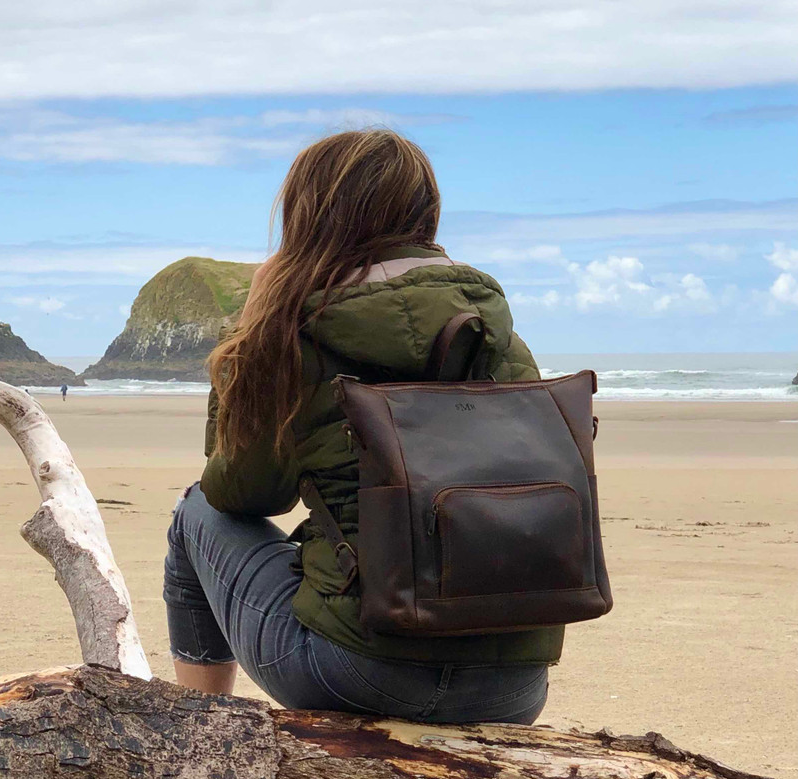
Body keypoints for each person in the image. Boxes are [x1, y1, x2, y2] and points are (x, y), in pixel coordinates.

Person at [163, 129, 555, 725]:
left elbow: (241, 493)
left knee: (195, 513)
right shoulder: (496, 336)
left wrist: (249, 339)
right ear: (425, 214)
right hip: (512, 685)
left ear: (308, 214)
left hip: (358, 671)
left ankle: (199, 738)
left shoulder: (299, 332)